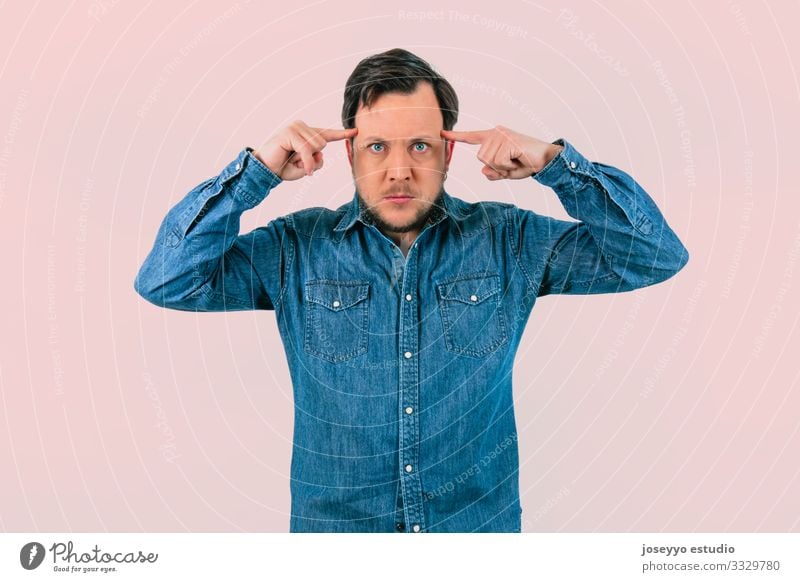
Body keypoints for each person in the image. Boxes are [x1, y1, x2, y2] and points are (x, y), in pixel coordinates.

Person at [134, 48, 689, 533]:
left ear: (449, 154)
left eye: (420, 146)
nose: (399, 170)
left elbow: (654, 257)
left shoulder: (508, 241)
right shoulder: (295, 249)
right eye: (377, 147)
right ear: (348, 153)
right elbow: (168, 279)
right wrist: (254, 173)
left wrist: (555, 165)